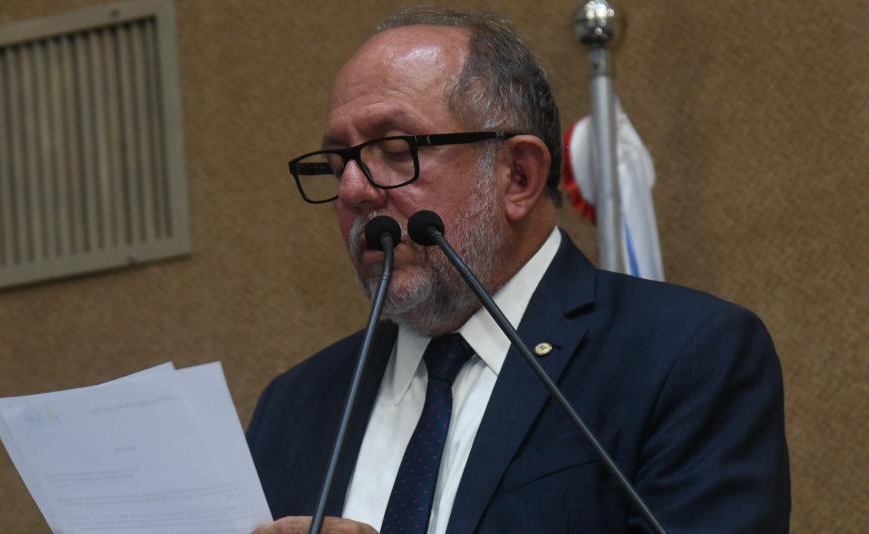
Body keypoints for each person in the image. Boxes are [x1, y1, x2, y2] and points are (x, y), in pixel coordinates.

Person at [248, 7, 790, 534]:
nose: (352, 190)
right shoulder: (294, 405)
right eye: (337, 163)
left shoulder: (684, 356)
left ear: (519, 177)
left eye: (395, 150)